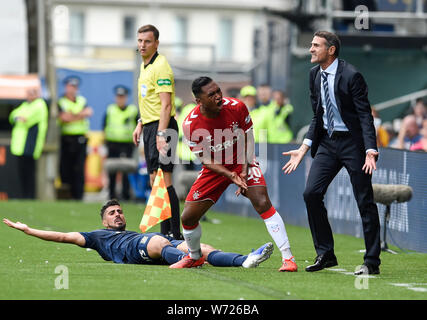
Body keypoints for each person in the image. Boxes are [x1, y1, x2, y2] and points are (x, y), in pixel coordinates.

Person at [169, 76, 297, 272]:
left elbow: (248, 135)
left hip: (241, 162)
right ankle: (194, 257)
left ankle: (288, 258)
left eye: (218, 91)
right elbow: (205, 160)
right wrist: (229, 175)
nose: (219, 97)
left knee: (262, 202)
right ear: (199, 101)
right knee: (187, 218)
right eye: (211, 95)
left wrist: (245, 167)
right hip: (215, 170)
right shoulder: (190, 124)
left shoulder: (237, 106)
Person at [282, 31, 381, 275]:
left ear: (331, 50)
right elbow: (319, 115)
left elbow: (364, 116)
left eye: (316, 45)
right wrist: (304, 148)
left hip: (353, 144)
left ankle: (371, 262)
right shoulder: (314, 74)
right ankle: (325, 254)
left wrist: (370, 150)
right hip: (327, 143)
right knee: (311, 194)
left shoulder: (351, 75)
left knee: (364, 200)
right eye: (311, 45)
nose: (311, 49)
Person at [2, 199, 273, 268]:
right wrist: (28, 231)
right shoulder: (97, 237)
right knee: (157, 240)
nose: (118, 214)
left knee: (202, 246)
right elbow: (62, 237)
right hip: (139, 248)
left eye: (119, 211)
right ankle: (186, 260)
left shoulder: (129, 230)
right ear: (105, 223)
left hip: (149, 243)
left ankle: (243, 261)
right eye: (112, 213)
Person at [132, 24, 182, 239]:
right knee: (154, 181)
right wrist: (140, 122)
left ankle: (176, 234)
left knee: (164, 179)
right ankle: (164, 234)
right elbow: (149, 101)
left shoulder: (161, 66)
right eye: (140, 41)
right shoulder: (145, 65)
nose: (142, 45)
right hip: (151, 126)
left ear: (156, 43)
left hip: (164, 127)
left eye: (147, 41)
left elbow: (166, 106)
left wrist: (162, 134)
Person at [9, 88, 48, 199]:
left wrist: (19, 117)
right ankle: (24, 196)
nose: (29, 96)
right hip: (20, 145)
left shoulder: (40, 105)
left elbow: (27, 119)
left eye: (32, 93)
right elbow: (13, 115)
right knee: (22, 172)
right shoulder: (25, 105)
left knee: (29, 173)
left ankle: (29, 196)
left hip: (30, 143)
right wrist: (17, 117)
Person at [57, 76, 93, 200]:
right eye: (70, 86)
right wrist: (80, 115)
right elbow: (64, 118)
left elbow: (88, 112)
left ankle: (79, 196)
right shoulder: (61, 101)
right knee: (65, 168)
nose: (72, 89)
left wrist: (72, 116)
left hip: (80, 139)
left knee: (79, 168)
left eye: (75, 87)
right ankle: (67, 195)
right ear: (66, 87)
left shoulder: (82, 100)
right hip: (66, 139)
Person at [103, 85, 139, 200]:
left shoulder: (132, 110)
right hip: (112, 144)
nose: (120, 99)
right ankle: (112, 194)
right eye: (118, 97)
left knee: (127, 171)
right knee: (112, 171)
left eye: (122, 97)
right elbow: (104, 126)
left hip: (127, 145)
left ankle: (126, 195)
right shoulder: (110, 109)